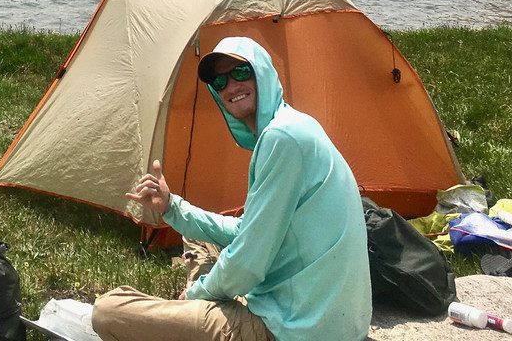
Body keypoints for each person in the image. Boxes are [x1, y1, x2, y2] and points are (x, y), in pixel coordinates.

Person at [91, 36, 371, 341]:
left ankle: (182, 312)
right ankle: (191, 312)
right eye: (221, 81)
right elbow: (247, 232)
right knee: (196, 238)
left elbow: (249, 261)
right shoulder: (293, 125)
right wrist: (173, 207)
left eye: (240, 73)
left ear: (262, 72)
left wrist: (197, 293)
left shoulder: (283, 139)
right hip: (319, 316)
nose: (231, 87)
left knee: (107, 311)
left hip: (294, 329)